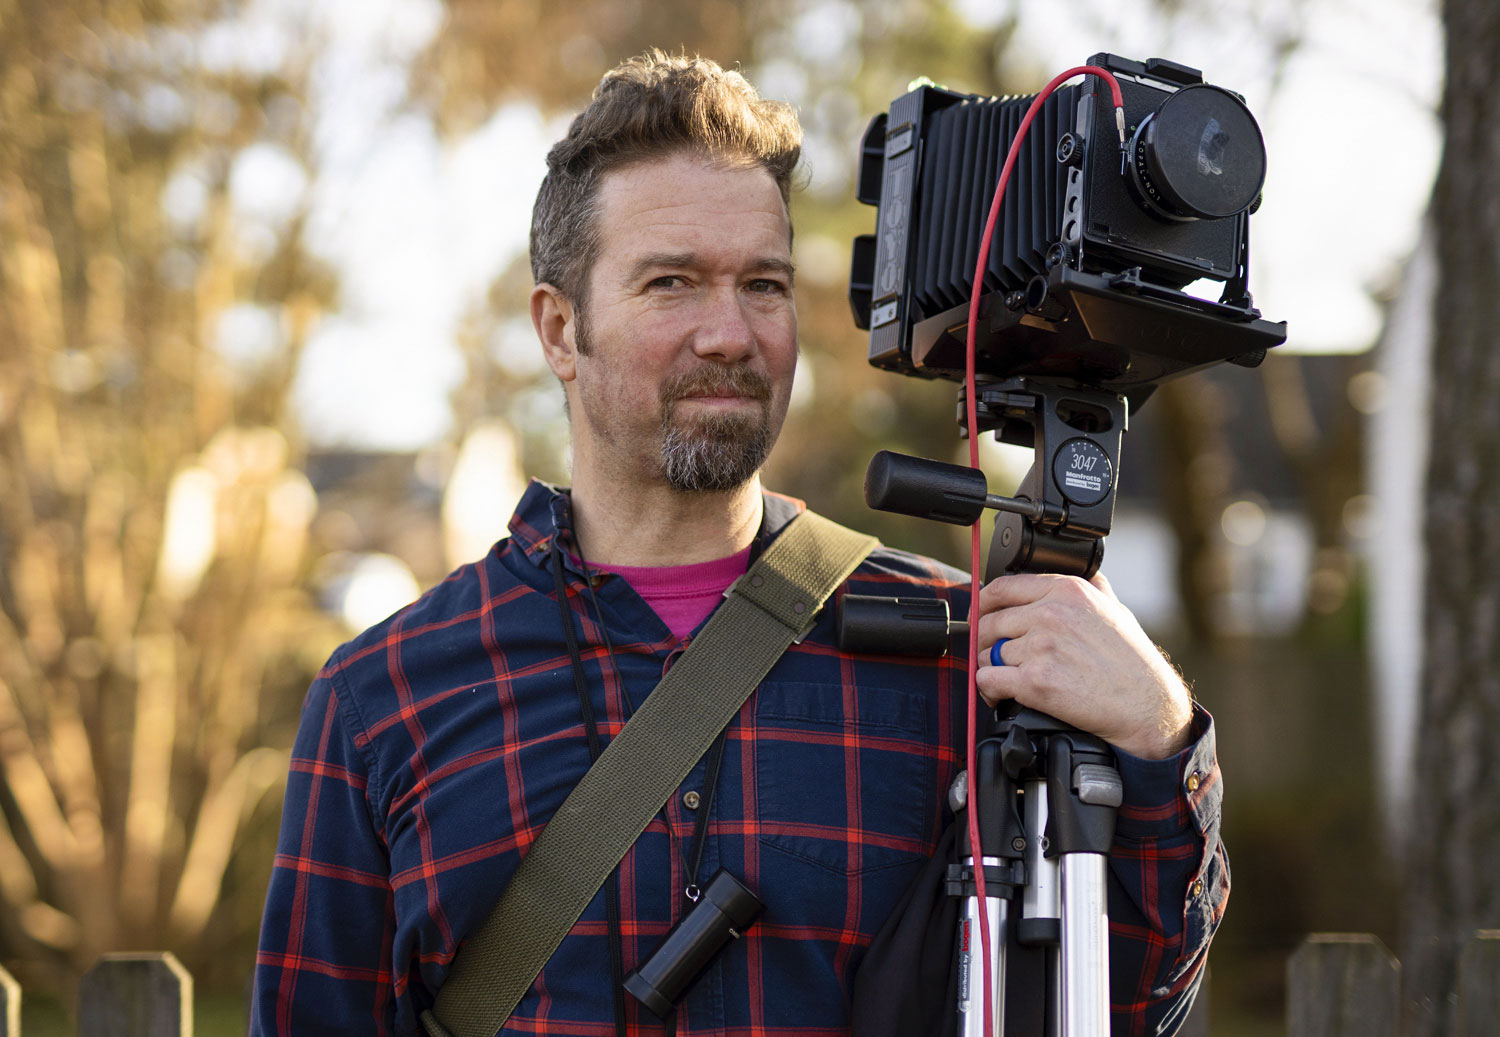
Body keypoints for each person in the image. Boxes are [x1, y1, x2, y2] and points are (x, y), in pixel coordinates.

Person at [250, 51, 1226, 1036]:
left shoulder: (965, 652)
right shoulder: (387, 697)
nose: (731, 333)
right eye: (672, 282)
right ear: (558, 330)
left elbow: (1118, 1004)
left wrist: (1159, 737)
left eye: (763, 284)